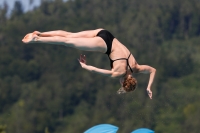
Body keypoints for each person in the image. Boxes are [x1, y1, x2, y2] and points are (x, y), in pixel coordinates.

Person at [22, 28, 156, 99]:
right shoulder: (118, 73)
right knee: (68, 42)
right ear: (123, 83)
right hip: (104, 44)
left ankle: (41, 33)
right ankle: (37, 39)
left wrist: (149, 87)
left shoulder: (136, 67)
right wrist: (85, 66)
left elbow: (153, 70)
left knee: (70, 35)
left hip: (106, 33)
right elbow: (97, 71)